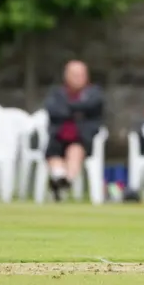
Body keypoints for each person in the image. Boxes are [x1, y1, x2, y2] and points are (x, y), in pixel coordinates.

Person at [44, 60, 105, 201]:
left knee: (75, 150)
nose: (79, 78)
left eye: (81, 75)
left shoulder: (94, 93)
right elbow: (53, 110)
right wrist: (76, 110)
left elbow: (91, 106)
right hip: (58, 136)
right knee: (53, 153)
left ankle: (65, 181)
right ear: (67, 76)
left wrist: (68, 109)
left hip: (82, 137)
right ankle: (60, 178)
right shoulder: (57, 93)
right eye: (75, 75)